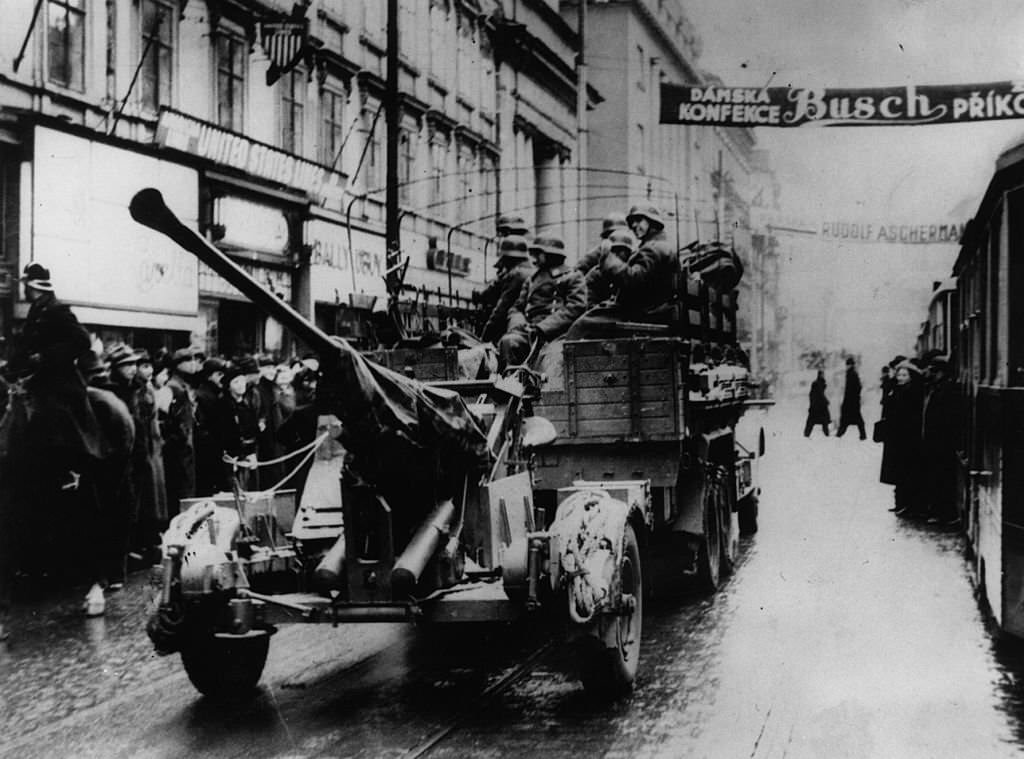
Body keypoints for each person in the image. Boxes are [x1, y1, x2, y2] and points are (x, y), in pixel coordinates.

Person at [565, 203, 679, 339]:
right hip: (650, 309)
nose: (635, 226)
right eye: (632, 223)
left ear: (652, 222)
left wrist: (609, 260)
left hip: (641, 311)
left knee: (583, 324)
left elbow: (633, 279)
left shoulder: (653, 248)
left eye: (639, 220)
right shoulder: (660, 246)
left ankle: (567, 358)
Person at [498, 236, 586, 368]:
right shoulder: (532, 279)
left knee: (552, 356)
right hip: (530, 331)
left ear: (550, 254)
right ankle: (511, 381)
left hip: (557, 334)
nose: (534, 257)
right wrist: (519, 325)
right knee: (509, 341)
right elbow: (516, 308)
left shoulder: (572, 276)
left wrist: (543, 328)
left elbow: (576, 307)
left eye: (538, 253)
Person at [880, 361, 925, 516]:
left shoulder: (912, 392)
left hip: (907, 439)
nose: (900, 377)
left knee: (906, 473)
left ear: (911, 377)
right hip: (896, 438)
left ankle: (906, 504)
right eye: (899, 374)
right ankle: (900, 503)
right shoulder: (896, 390)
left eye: (904, 375)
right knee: (899, 473)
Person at [920, 357, 960, 528]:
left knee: (941, 478)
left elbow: (947, 419)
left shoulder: (946, 390)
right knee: (937, 477)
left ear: (940, 372)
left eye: (932, 370)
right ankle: (939, 512)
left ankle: (944, 513)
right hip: (934, 442)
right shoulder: (935, 388)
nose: (928, 373)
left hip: (941, 443)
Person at [161, 347, 201, 514]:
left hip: (186, 450)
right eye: (188, 361)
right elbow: (166, 420)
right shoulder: (172, 387)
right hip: (178, 451)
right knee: (180, 493)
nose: (193, 364)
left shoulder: (183, 386)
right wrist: (179, 438)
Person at [479, 235, 534, 343]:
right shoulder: (533, 271)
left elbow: (502, 308)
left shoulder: (516, 274)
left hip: (514, 329)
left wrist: (484, 337)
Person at [194, 357, 228, 497]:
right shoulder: (203, 395)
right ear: (209, 376)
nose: (223, 378)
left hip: (217, 450)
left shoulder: (218, 393)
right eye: (219, 374)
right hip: (207, 452)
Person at [584, 228, 638, 305]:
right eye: (613, 250)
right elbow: (588, 302)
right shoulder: (597, 274)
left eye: (621, 251)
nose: (616, 254)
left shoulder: (633, 274)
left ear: (629, 253)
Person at [575, 211, 628, 275]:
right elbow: (577, 275)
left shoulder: (630, 253)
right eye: (612, 235)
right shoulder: (594, 255)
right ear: (606, 237)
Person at [837, 357, 866, 440]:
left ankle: (839, 435)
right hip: (854, 402)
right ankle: (863, 436)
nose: (846, 366)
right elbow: (859, 387)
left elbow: (851, 389)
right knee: (858, 421)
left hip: (850, 402)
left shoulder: (850, 374)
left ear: (849, 365)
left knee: (846, 421)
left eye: (847, 364)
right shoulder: (853, 373)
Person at [803, 369, 831, 437]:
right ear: (820, 375)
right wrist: (826, 401)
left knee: (814, 421)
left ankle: (807, 434)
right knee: (821, 421)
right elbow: (819, 394)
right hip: (818, 406)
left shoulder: (819, 383)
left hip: (817, 407)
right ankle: (826, 434)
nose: (823, 376)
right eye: (822, 375)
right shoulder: (818, 384)